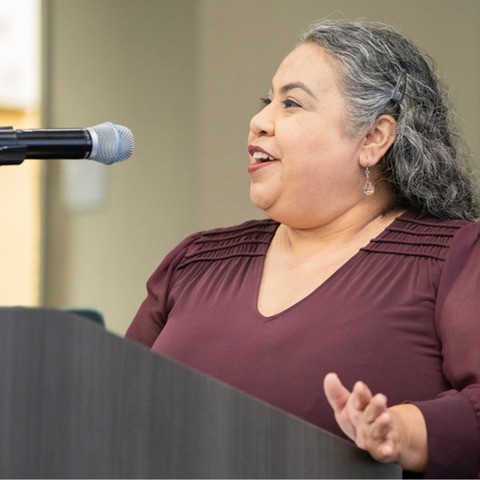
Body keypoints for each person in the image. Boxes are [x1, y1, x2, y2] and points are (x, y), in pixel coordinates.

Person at [125, 19, 480, 478]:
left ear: (374, 138)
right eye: (266, 102)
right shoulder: (196, 262)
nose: (259, 121)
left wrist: (402, 431)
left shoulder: (455, 257)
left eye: (291, 103)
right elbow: (112, 402)